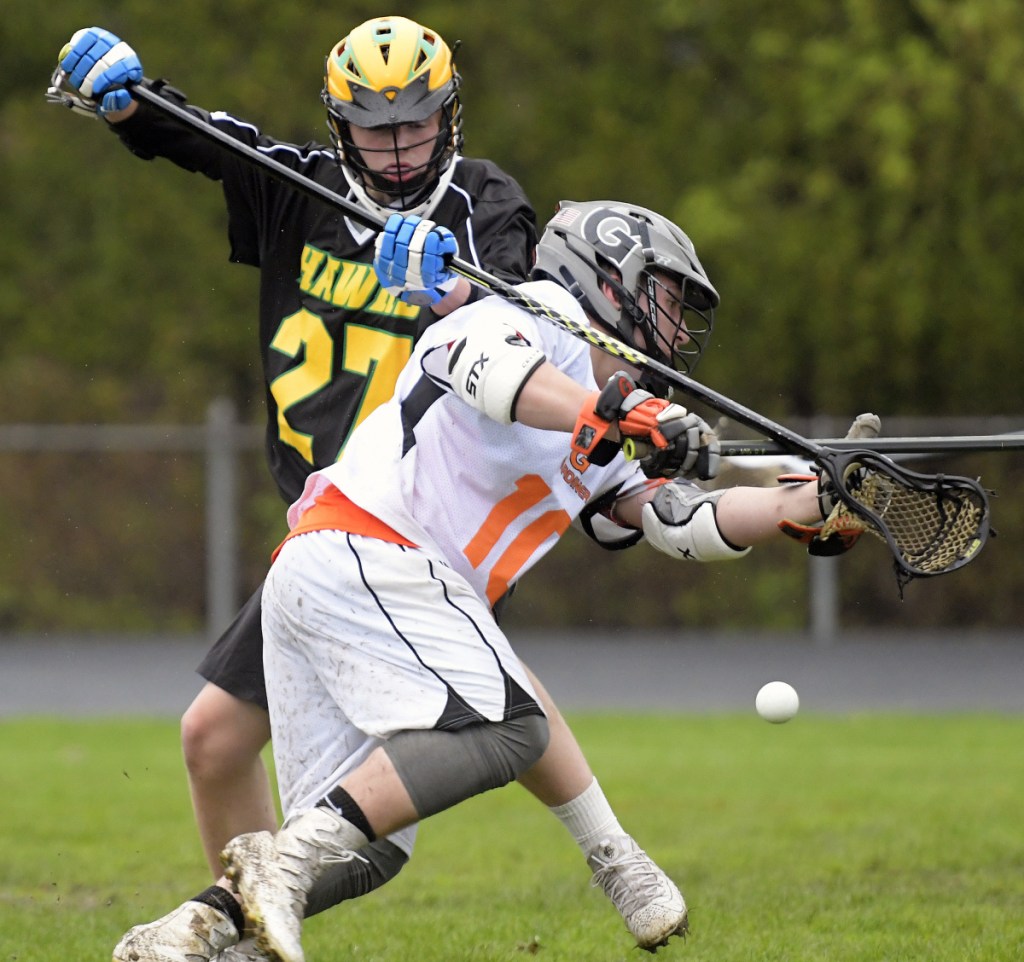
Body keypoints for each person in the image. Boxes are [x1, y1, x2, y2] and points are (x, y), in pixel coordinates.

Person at [53, 19, 691, 961]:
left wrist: (456, 293)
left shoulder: (483, 203)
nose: (398, 149)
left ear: (450, 116)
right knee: (216, 741)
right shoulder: (299, 190)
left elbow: (524, 328)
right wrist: (126, 104)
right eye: (376, 130)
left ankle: (613, 855)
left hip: (424, 506)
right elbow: (198, 136)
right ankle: (243, 924)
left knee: (493, 706)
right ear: (341, 126)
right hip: (332, 524)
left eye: (417, 126)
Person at [206, 198, 846, 962]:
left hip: (352, 580)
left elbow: (676, 523)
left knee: (372, 850)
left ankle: (193, 934)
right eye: (668, 300)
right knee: (509, 724)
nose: (678, 331)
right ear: (610, 281)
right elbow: (496, 377)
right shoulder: (526, 315)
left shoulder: (604, 421)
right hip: (366, 551)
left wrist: (800, 504)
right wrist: (621, 415)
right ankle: (286, 861)